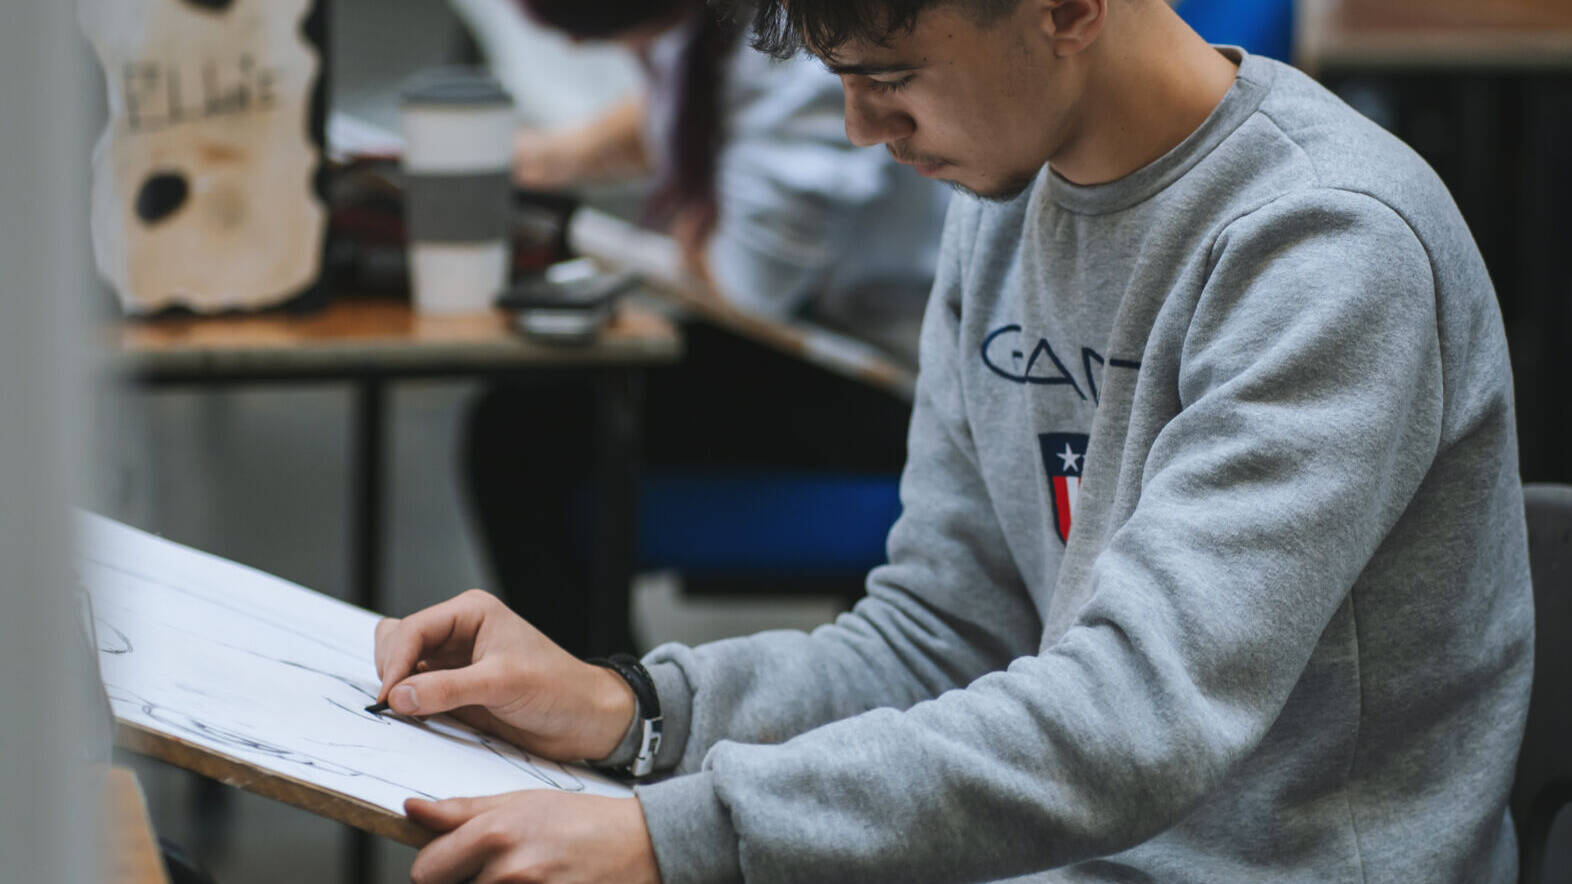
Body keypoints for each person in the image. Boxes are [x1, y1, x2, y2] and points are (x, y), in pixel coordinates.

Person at [383, 0, 1536, 881]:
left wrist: (676, 833)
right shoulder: (1002, 220)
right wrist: (631, 710)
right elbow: (942, 635)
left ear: (1070, 9)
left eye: (890, 78)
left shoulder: (1328, 246)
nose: (861, 127)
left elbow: (1133, 718)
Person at [465, 0, 951, 658]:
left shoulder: (806, 46)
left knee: (519, 437)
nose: (580, 52)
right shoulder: (714, 28)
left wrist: (700, 234)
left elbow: (752, 284)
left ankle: (593, 698)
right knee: (531, 415)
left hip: (898, 383)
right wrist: (554, 159)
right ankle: (591, 689)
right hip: (814, 339)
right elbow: (679, 105)